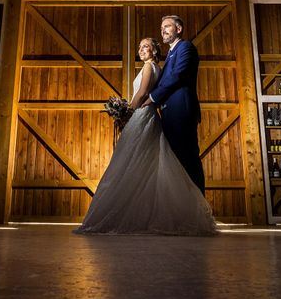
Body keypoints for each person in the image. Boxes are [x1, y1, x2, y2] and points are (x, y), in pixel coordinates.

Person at [75, 36, 217, 235]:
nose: (142, 50)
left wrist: (126, 113)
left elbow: (142, 93)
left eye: (146, 47)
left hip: (142, 115)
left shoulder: (150, 67)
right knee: (143, 163)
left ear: (154, 51)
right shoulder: (154, 67)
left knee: (129, 161)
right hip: (145, 115)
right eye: (140, 47)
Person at [145, 15, 205, 193]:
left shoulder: (185, 47)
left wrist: (152, 98)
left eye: (167, 26)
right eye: (161, 27)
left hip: (182, 113)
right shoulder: (170, 54)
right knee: (175, 161)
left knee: (187, 159)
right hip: (169, 114)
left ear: (178, 29)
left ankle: (198, 208)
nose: (162, 30)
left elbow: (177, 76)